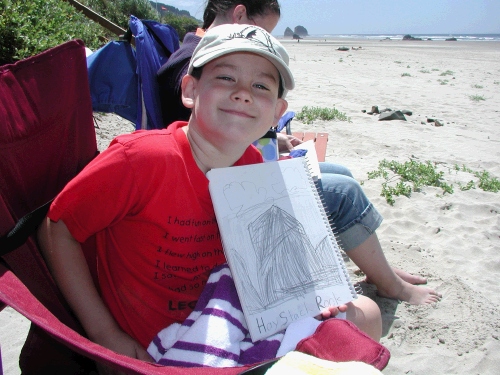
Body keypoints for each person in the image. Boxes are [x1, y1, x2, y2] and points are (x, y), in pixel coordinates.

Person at [37, 24, 382, 363]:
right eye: (226, 78)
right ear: (189, 90)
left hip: (233, 314)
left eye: (261, 85)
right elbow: (57, 227)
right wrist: (103, 332)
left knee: (365, 312)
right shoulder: (141, 160)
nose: (243, 92)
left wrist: (312, 295)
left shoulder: (255, 165)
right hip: (162, 346)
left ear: (277, 113)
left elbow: (273, 257)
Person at [157, 0, 441, 305]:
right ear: (239, 16)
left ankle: (374, 266)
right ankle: (392, 286)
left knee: (339, 173)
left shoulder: (195, 52)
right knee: (344, 193)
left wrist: (271, 140)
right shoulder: (197, 65)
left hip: (233, 168)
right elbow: (209, 140)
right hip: (227, 188)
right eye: (261, 32)